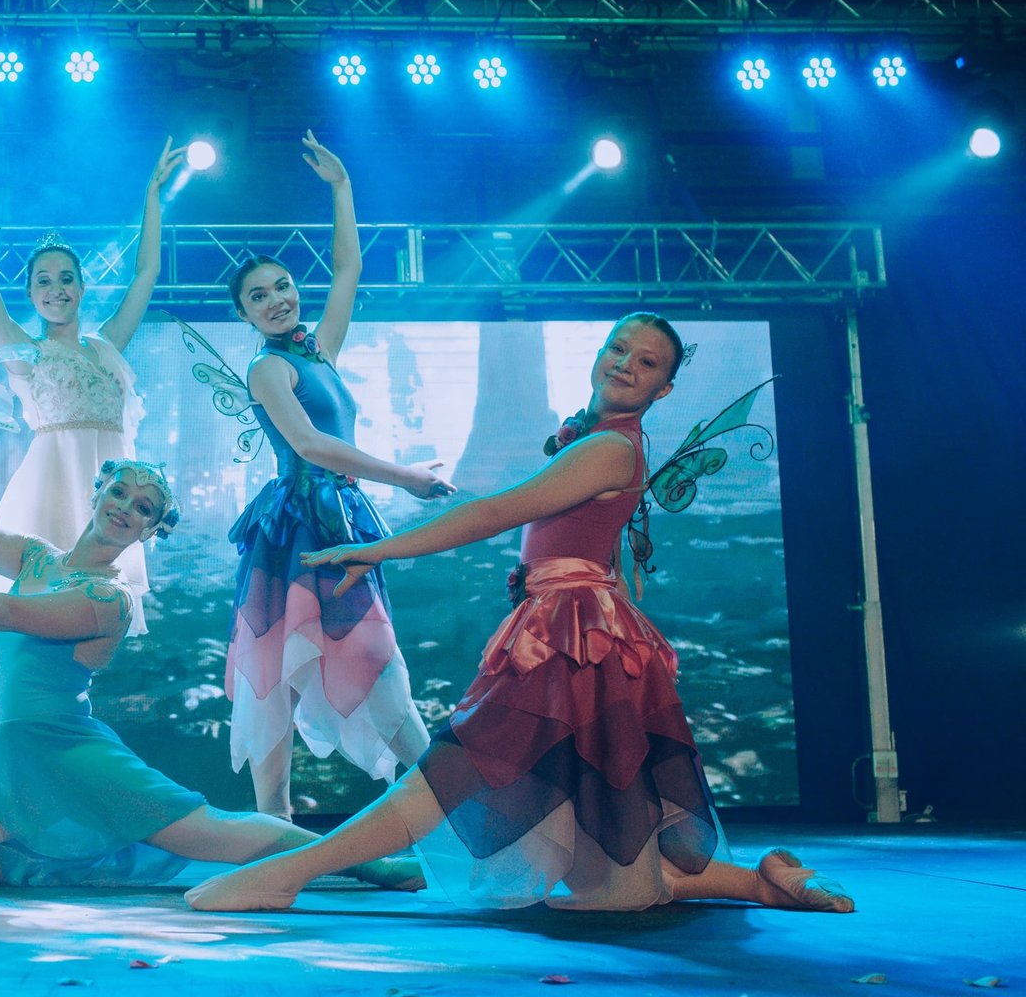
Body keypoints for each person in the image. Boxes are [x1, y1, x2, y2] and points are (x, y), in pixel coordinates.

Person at [185, 314, 854, 915]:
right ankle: (762, 882)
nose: (625, 362)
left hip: (568, 638)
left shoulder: (609, 448)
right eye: (619, 347)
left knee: (450, 771)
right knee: (609, 855)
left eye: (646, 362)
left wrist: (379, 548)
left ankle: (287, 874)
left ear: (663, 390)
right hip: (573, 626)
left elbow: (493, 512)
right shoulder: (596, 439)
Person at [0, 450, 423, 892]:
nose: (127, 508)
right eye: (121, 493)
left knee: (215, 834)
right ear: (97, 492)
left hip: (68, 755)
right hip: (2, 755)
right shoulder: (33, 556)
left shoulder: (111, 601)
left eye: (144, 508)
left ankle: (362, 860)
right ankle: (56, 862)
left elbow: (8, 611)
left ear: (152, 530)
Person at [223, 130, 453, 820]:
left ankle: (453, 817)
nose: (276, 300)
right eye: (258, 297)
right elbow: (310, 443)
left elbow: (347, 272)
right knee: (281, 678)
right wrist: (405, 476)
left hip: (339, 520)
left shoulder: (318, 351)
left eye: (283, 286)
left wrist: (342, 191)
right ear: (244, 315)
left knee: (363, 669)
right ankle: (276, 827)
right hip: (300, 524)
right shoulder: (269, 368)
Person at [0, 134, 183, 617]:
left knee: (97, 614)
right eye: (43, 282)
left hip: (110, 493)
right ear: (30, 294)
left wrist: (153, 196)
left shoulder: (107, 345)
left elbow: (147, 271)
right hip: (50, 487)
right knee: (43, 608)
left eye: (66, 278)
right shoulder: (24, 351)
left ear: (82, 286)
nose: (56, 290)